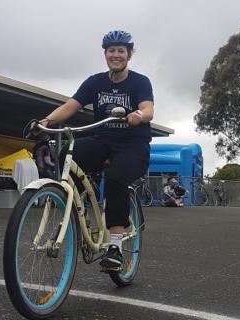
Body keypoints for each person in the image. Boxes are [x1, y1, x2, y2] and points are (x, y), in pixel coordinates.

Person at [35, 30, 154, 272]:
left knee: (116, 180)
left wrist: (138, 115)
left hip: (133, 144)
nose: (116, 55)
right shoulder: (95, 82)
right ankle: (79, 212)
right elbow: (70, 106)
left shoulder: (140, 82)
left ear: (129, 55)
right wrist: (46, 121)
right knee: (68, 154)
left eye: (121, 51)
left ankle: (115, 248)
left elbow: (148, 108)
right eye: (112, 51)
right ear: (105, 54)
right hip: (104, 139)